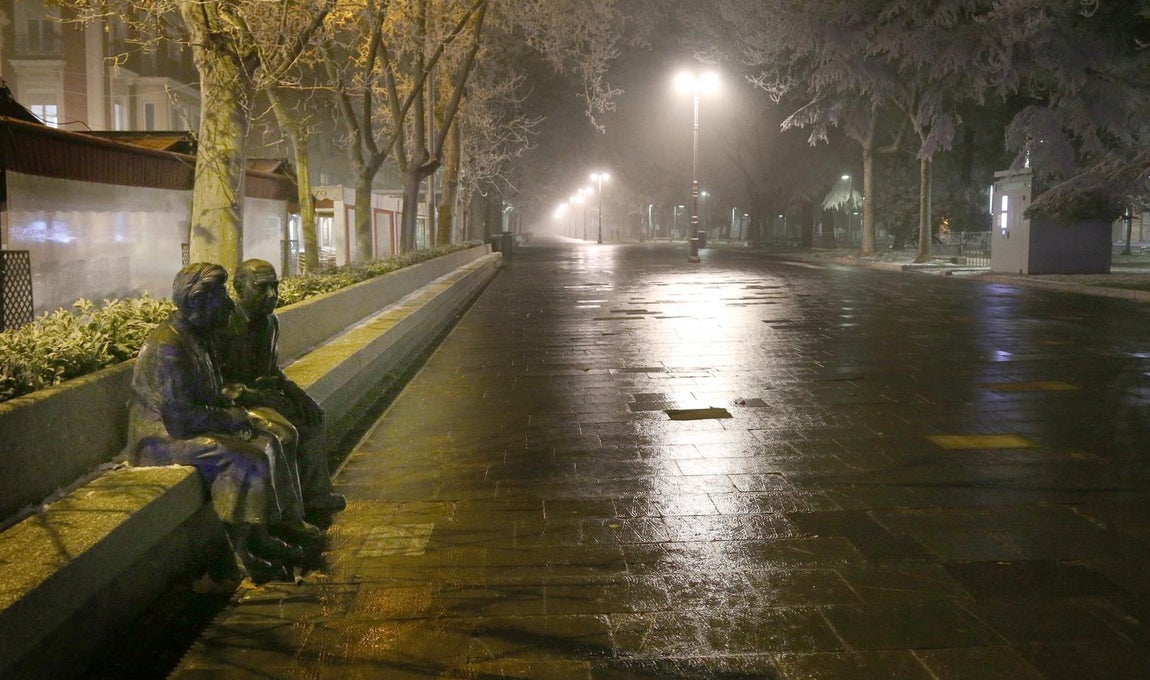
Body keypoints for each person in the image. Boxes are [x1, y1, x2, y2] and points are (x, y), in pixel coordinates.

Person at [124, 262, 314, 582]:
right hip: (159, 439)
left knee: (267, 438)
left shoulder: (198, 334)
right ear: (199, 301)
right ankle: (239, 555)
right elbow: (180, 416)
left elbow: (211, 392)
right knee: (244, 456)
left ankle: (261, 534)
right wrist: (229, 419)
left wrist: (236, 411)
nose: (228, 302)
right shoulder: (168, 345)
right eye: (221, 295)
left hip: (184, 426)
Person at [216, 259, 346, 518]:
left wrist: (298, 394)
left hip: (262, 397)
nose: (272, 295)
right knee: (284, 435)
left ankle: (316, 495)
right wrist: (254, 395)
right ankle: (288, 514)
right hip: (236, 405)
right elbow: (219, 385)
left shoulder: (269, 323)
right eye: (262, 288)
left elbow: (272, 370)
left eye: (274, 287)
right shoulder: (224, 327)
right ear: (239, 289)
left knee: (312, 417)